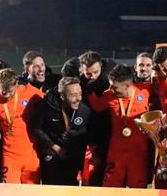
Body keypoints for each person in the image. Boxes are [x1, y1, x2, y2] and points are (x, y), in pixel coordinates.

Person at [90, 64, 156, 188]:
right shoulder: (109, 94)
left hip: (138, 155)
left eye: (114, 86)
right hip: (116, 154)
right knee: (110, 191)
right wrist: (90, 89)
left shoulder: (146, 90)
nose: (111, 89)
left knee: (137, 193)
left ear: (127, 85)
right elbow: (97, 106)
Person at [32, 76, 93, 185]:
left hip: (72, 154)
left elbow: (89, 132)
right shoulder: (47, 105)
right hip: (52, 151)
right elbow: (37, 128)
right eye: (73, 95)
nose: (78, 98)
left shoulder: (84, 108)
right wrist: (55, 147)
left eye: (80, 93)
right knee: (51, 187)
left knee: (71, 187)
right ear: (62, 96)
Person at [0, 67, 44, 184]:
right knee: (8, 192)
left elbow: (49, 102)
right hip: (10, 156)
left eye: (10, 91)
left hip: (31, 155)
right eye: (3, 91)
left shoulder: (30, 92)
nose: (7, 95)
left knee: (31, 194)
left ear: (16, 84)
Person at [78, 51, 111, 186]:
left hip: (108, 136)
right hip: (88, 139)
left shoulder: (110, 82)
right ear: (82, 70)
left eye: (95, 72)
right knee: (89, 179)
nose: (92, 76)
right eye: (88, 73)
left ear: (101, 66)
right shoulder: (80, 84)